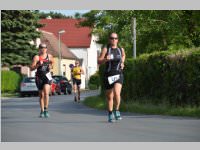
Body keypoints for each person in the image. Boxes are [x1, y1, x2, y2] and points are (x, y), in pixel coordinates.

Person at [98, 33, 126, 123]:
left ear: (118, 40)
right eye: (112, 38)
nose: (114, 40)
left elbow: (123, 56)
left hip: (118, 74)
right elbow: (99, 61)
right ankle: (110, 113)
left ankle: (117, 110)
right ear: (109, 39)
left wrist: (122, 62)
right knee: (110, 97)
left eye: (115, 38)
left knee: (117, 93)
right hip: (108, 75)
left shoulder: (120, 49)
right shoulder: (106, 49)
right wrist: (106, 59)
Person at [30, 43, 54, 118]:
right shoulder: (36, 57)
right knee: (41, 95)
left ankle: (46, 110)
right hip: (39, 77)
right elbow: (31, 68)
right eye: (41, 48)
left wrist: (50, 66)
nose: (43, 49)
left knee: (46, 93)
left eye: (44, 48)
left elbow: (52, 63)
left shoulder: (49, 56)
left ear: (46, 49)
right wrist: (38, 65)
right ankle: (42, 110)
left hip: (47, 76)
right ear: (39, 49)